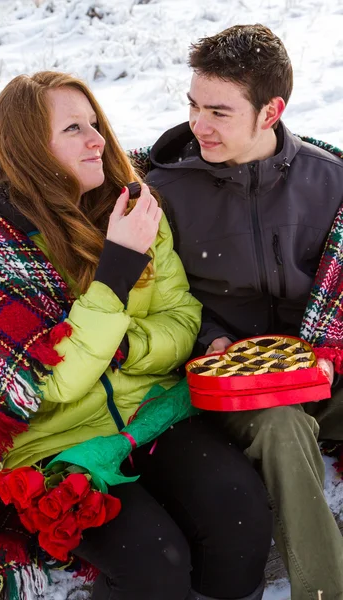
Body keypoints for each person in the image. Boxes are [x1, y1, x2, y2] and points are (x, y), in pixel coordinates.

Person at [0, 71, 272, 600]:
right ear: (29, 148)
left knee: (241, 515)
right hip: (59, 447)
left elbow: (181, 321)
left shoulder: (131, 209)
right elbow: (53, 383)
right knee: (155, 562)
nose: (98, 139)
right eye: (74, 128)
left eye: (94, 123)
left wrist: (117, 349)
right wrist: (116, 271)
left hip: (151, 411)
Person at [147, 23, 343, 600]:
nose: (198, 125)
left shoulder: (330, 182)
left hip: (320, 371)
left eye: (218, 111)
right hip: (230, 388)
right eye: (192, 106)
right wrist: (211, 340)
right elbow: (161, 299)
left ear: (270, 110)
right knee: (284, 431)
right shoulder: (165, 192)